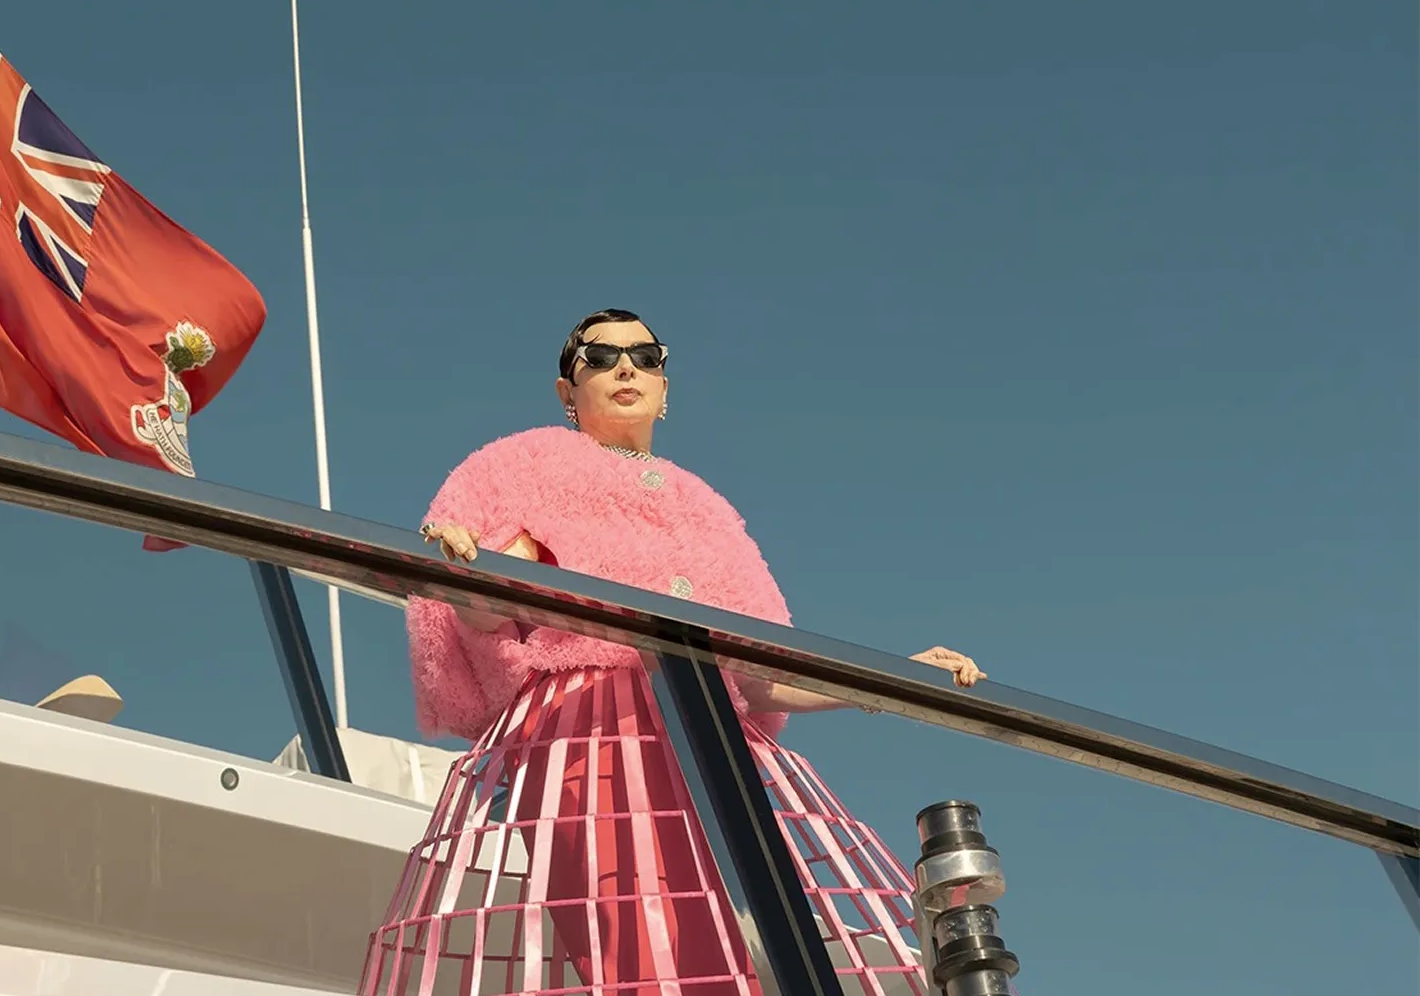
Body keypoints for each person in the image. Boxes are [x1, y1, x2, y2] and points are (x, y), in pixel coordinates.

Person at [357, 309, 985, 996]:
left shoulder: (705, 509)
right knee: (636, 948)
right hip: (586, 732)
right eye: (600, 357)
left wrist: (889, 680)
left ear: (664, 387)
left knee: (715, 948)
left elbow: (761, 675)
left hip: (706, 745)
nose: (625, 367)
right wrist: (466, 575)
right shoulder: (522, 468)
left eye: (646, 356)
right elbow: (488, 610)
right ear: (567, 392)